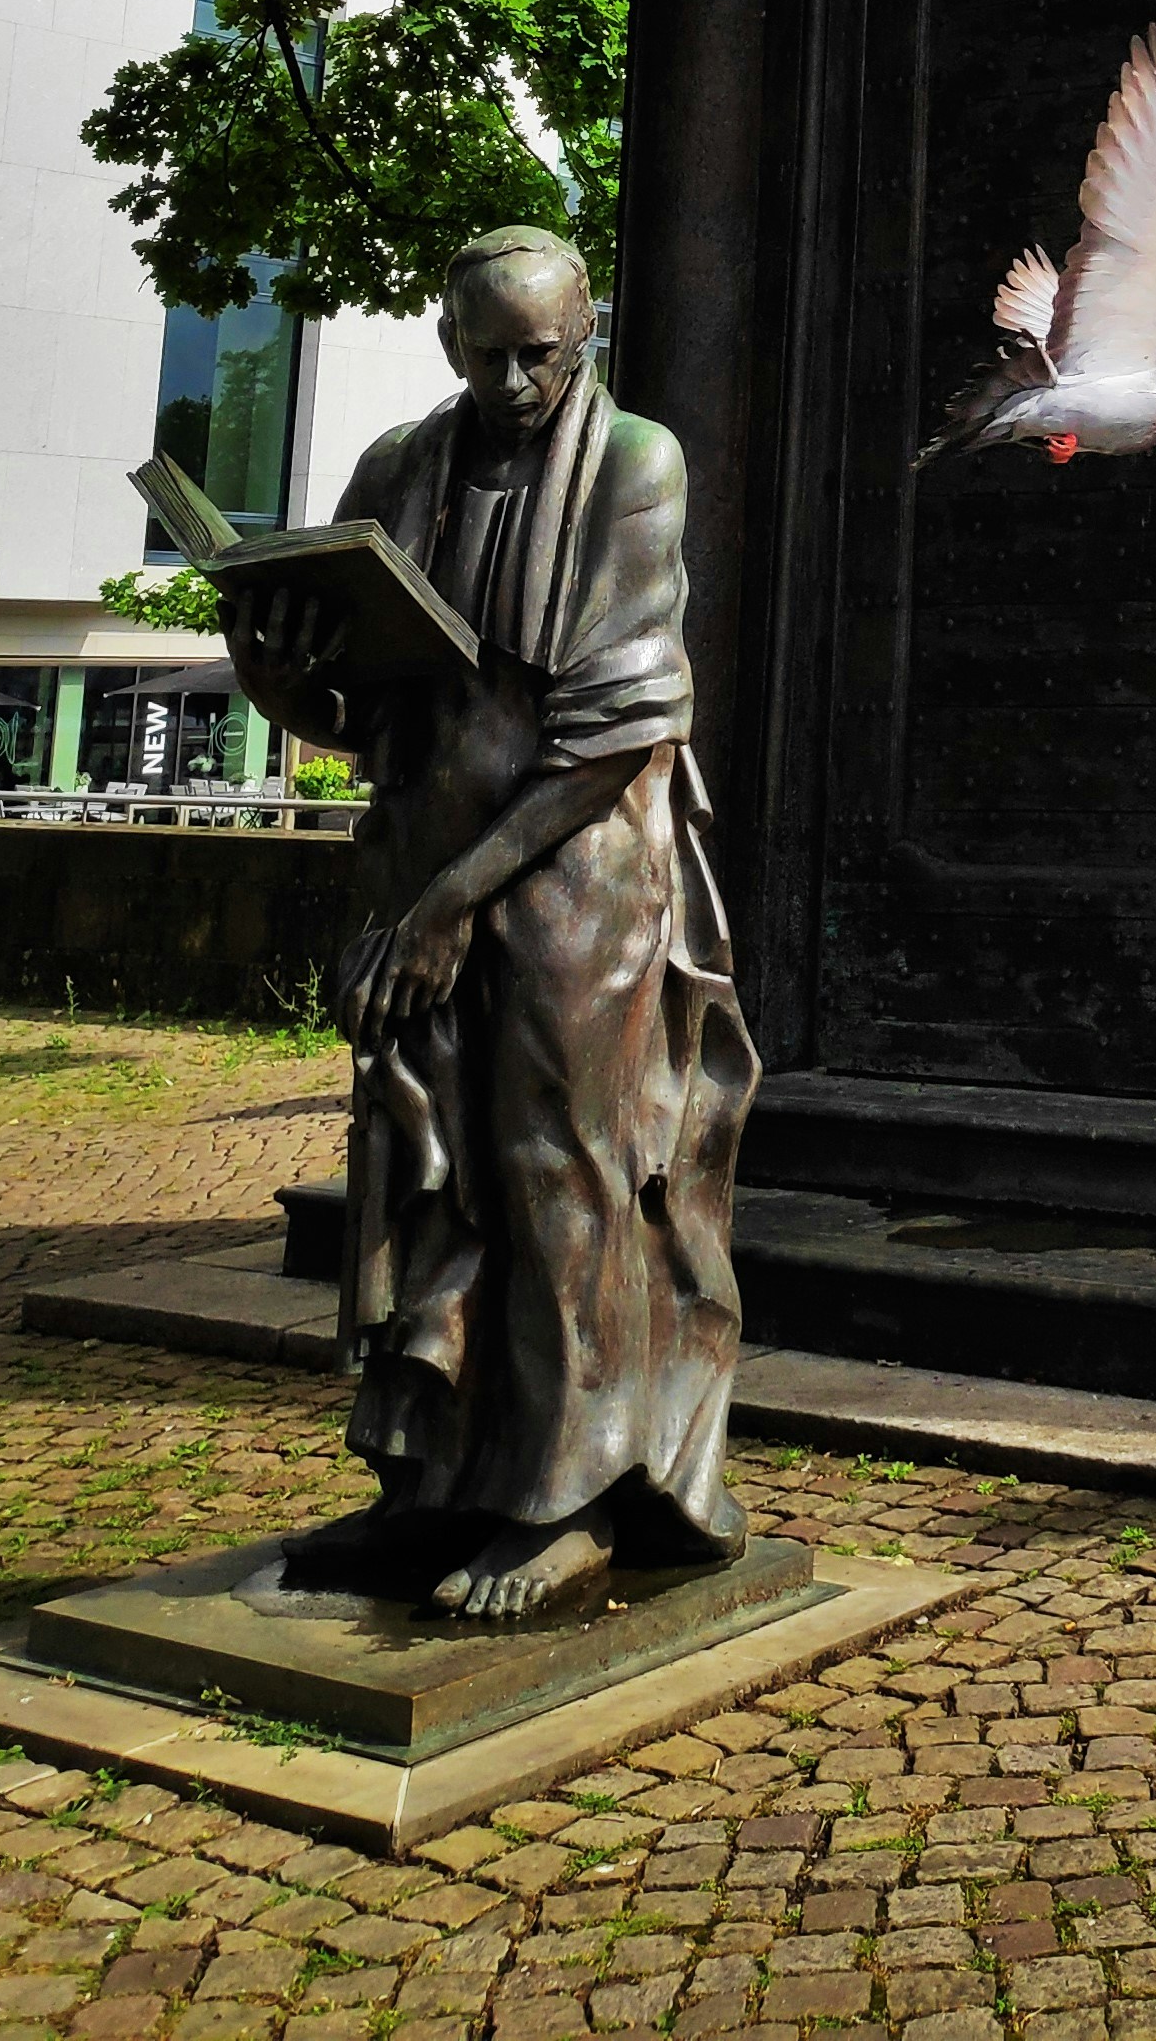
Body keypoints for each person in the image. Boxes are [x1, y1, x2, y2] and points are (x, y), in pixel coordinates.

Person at [222, 225, 756, 1618]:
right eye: (485, 352)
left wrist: (455, 904)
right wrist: (277, 683)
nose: (515, 380)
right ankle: (437, 1481)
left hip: (577, 875)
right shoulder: (401, 465)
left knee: (557, 1169)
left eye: (541, 352)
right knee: (420, 1159)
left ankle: (569, 1493)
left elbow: (618, 729)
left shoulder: (636, 460)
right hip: (424, 855)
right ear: (448, 341)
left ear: (583, 334)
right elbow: (365, 705)